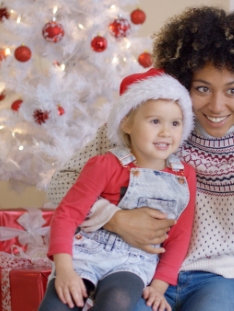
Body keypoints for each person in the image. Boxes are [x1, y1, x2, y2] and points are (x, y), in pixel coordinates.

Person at [47, 6, 234, 311]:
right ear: (183, 80)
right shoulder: (150, 126)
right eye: (202, 88)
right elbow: (60, 186)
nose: (216, 105)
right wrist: (116, 219)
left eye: (233, 91)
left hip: (217, 277)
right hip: (139, 269)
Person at [39, 68, 197, 311]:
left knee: (117, 303)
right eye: (155, 121)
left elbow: (179, 236)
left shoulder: (184, 175)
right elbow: (67, 214)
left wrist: (159, 286)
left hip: (132, 263)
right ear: (126, 123)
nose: (166, 132)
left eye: (175, 123)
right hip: (86, 253)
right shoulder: (104, 164)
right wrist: (65, 270)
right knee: (56, 305)